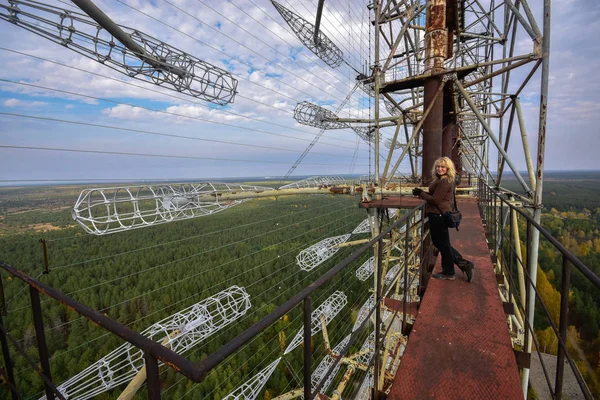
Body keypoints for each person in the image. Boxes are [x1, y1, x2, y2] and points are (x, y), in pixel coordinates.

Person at [412, 157, 475, 282]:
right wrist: (424, 193)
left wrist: (420, 193)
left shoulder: (445, 181)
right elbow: (437, 196)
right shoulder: (444, 179)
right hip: (439, 215)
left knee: (442, 244)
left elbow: (436, 200)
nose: (439, 169)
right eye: (438, 167)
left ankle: (450, 272)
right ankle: (464, 264)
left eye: (442, 167)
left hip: (438, 216)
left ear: (448, 168)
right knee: (442, 244)